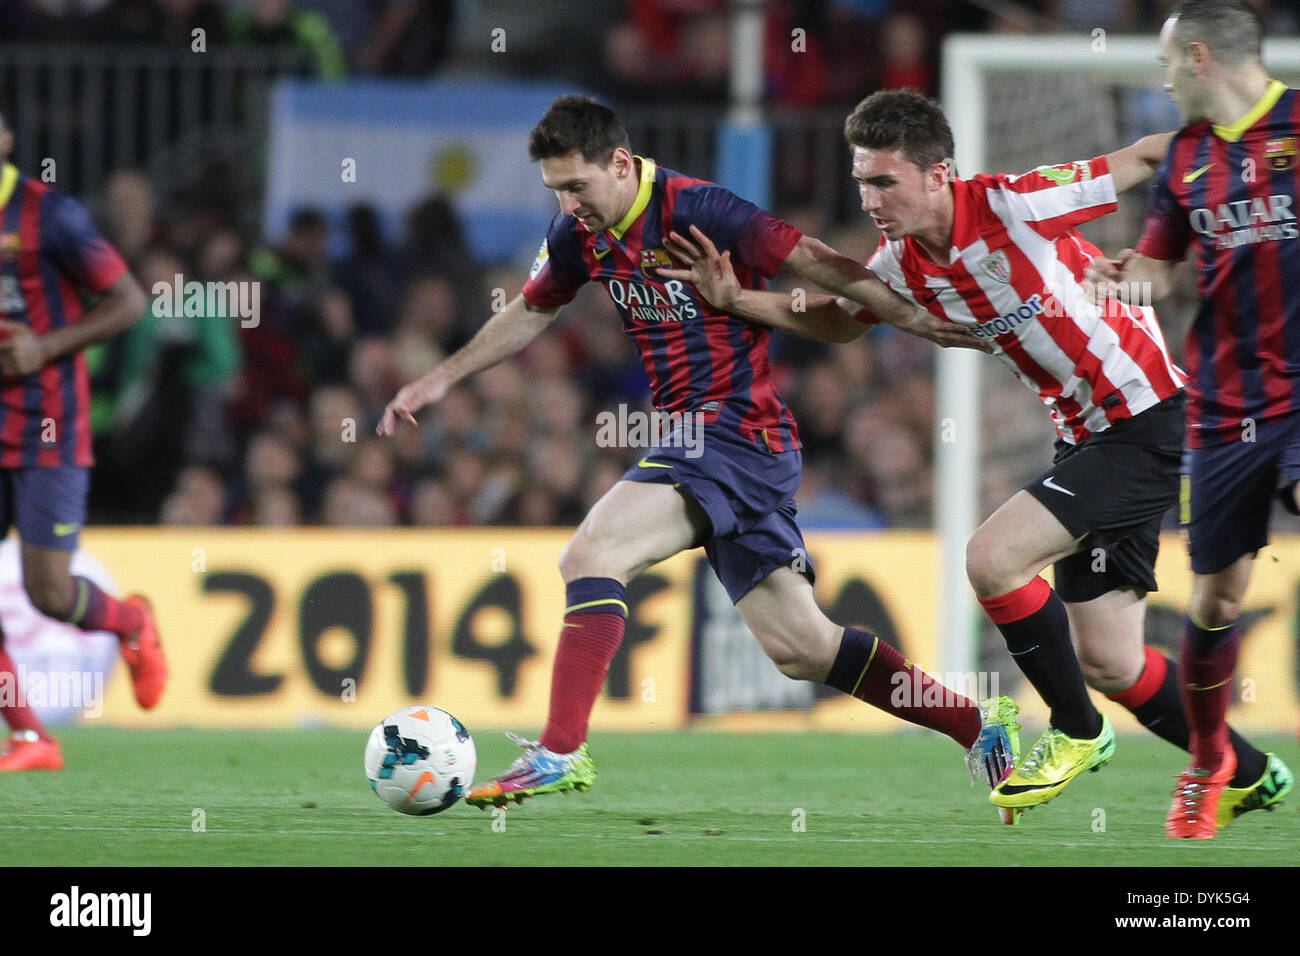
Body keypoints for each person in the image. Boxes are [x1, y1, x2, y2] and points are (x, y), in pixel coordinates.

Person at [662, 86, 1289, 826]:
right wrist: (737, 301)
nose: (869, 198)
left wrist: (1182, 231)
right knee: (1112, 663)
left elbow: (1153, 153)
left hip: (1148, 418)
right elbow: (838, 322)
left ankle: (1076, 733)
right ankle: (1249, 770)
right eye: (861, 180)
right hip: (1088, 437)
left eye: (884, 180)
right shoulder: (901, 263)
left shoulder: (1019, 204)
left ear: (939, 174)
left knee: (992, 559)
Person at [380, 94, 1022, 812]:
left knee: (591, 555)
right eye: (555, 191)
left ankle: (560, 750)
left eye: (577, 186)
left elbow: (817, 261)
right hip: (713, 441)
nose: (567, 204)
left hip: (733, 431)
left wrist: (912, 319)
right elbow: (534, 307)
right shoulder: (578, 235)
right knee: (803, 649)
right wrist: (439, 378)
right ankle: (978, 724)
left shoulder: (702, 209)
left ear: (620, 163)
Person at [1089, 0, 1299, 838]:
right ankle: (1211, 758)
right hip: (1222, 402)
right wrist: (1121, 278)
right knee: (1216, 602)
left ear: (1201, 57)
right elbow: (1164, 276)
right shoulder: (1184, 158)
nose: (1162, 76)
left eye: (1169, 61)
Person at [0, 112, 167, 771]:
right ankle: (31, 737)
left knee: (48, 592)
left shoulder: (51, 216)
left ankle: (130, 624)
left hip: (48, 428)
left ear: (6, 139)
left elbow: (128, 302)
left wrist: (47, 346)